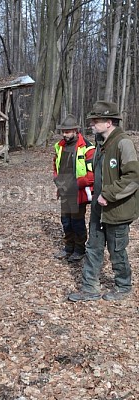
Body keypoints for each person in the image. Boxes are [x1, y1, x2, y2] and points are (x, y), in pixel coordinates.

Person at [69, 101, 139, 302]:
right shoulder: (100, 144)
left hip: (118, 209)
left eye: (96, 120)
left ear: (109, 122)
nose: (91, 123)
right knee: (93, 247)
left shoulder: (123, 143)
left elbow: (133, 177)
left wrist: (108, 194)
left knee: (117, 251)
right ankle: (89, 287)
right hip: (99, 208)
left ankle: (123, 286)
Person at [53, 114, 95, 262]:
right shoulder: (60, 146)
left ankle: (79, 249)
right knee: (65, 220)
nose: (65, 134)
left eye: (68, 131)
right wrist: (56, 179)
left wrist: (77, 184)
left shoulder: (87, 148)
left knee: (77, 222)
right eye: (63, 131)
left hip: (79, 192)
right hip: (64, 190)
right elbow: (56, 165)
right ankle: (68, 247)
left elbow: (92, 174)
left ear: (76, 130)